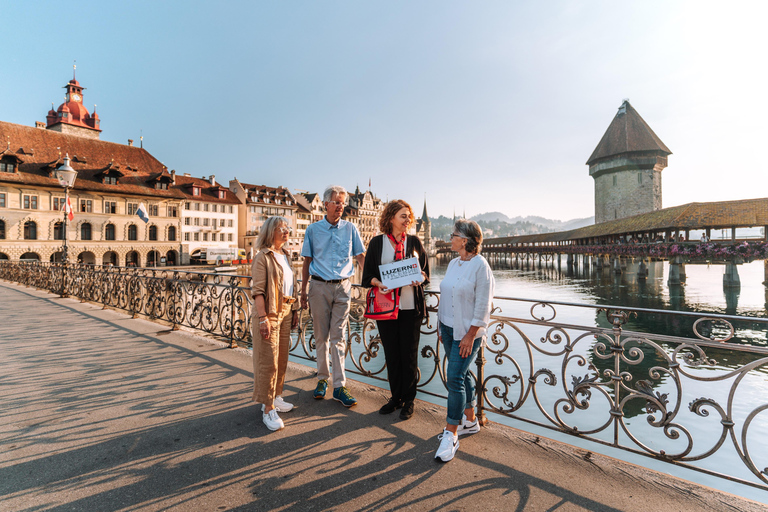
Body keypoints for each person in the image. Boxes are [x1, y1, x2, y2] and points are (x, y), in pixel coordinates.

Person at [362, 200, 430, 420]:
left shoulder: (414, 242)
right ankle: (395, 398)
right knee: (391, 354)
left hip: (410, 307)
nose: (408, 220)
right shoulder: (377, 243)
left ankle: (409, 400)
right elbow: (367, 276)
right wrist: (378, 283)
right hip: (386, 308)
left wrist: (420, 278)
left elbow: (426, 272)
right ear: (391, 217)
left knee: (409, 355)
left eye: (409, 216)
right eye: (403, 216)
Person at [434, 219, 495, 463]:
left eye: (454, 235)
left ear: (465, 240)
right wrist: (440, 325)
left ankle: (451, 433)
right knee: (463, 374)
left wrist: (470, 335)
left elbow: (483, 305)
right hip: (448, 328)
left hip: (466, 332)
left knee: (455, 377)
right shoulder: (453, 263)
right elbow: (446, 294)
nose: (450, 238)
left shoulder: (481, 266)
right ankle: (470, 420)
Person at [301, 185, 365, 407]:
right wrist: (303, 291)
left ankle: (339, 386)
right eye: (336, 202)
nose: (340, 206)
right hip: (318, 286)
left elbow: (360, 256)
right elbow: (306, 261)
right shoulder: (312, 230)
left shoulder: (351, 228)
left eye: (343, 202)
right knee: (321, 336)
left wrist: (371, 283)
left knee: (338, 337)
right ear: (326, 204)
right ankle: (322, 379)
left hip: (343, 287)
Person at [251, 216, 300, 431]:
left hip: (287, 310)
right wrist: (263, 318)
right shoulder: (263, 256)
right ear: (271, 231)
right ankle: (268, 408)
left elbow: (291, 286)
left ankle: (276, 396)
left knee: (281, 358)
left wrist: (295, 310)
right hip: (270, 311)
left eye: (287, 228)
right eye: (282, 228)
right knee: (268, 360)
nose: (286, 231)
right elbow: (258, 290)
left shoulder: (285, 255)